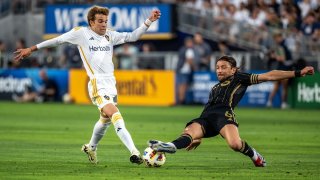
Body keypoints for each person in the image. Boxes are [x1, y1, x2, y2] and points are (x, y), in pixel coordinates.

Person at [14, 5, 161, 165]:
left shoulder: (110, 35)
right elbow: (57, 40)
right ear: (91, 22)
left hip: (111, 83)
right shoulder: (81, 33)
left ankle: (91, 147)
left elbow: (133, 36)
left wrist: (148, 21)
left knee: (105, 120)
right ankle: (134, 151)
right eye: (100, 21)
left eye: (105, 21)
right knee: (115, 114)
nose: (104, 24)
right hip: (97, 83)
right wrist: (32, 48)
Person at [149, 55, 314, 167]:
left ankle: (255, 156)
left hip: (224, 116)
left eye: (223, 67)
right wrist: (199, 136)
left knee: (235, 144)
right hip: (205, 117)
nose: (219, 70)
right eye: (217, 67)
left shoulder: (239, 78)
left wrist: (298, 73)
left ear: (233, 69)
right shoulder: (215, 88)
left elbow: (270, 75)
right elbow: (208, 109)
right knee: (188, 133)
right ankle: (170, 146)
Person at [266, 33, 293, 109]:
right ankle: (282, 103)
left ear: (280, 37)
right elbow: (282, 59)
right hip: (283, 68)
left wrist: (274, 56)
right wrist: (275, 57)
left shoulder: (282, 46)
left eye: (276, 38)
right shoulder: (282, 46)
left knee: (278, 86)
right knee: (281, 87)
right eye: (275, 38)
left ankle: (270, 102)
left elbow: (282, 58)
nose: (276, 40)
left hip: (283, 68)